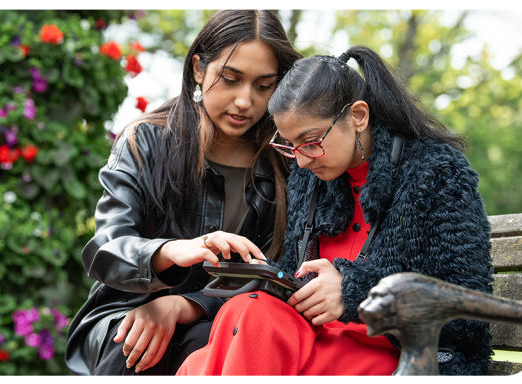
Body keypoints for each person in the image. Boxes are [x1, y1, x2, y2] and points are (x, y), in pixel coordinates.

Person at [177, 46, 494, 376]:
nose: (300, 160)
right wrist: (261, 273)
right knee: (237, 318)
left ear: (358, 116)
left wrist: (354, 292)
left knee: (227, 347)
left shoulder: (437, 173)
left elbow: (468, 315)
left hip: (401, 353)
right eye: (290, 145)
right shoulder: (311, 177)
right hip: (320, 337)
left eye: (311, 141)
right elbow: (297, 275)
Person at [64, 9, 303, 376]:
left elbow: (277, 275)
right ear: (197, 68)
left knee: (208, 341)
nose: (244, 101)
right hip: (126, 310)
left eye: (263, 86)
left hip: (224, 317)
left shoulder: (286, 164)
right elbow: (105, 251)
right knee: (141, 340)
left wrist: (184, 305)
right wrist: (170, 251)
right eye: (230, 79)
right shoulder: (145, 140)